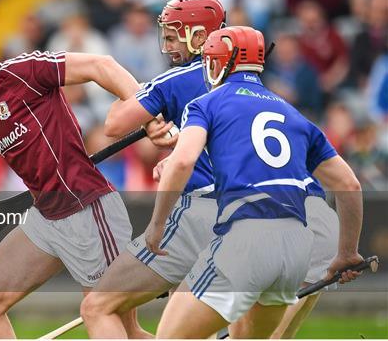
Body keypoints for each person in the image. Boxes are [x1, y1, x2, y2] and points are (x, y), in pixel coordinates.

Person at [0, 27, 150, 338]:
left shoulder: (24, 71)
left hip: (89, 210)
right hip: (46, 218)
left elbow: (101, 65)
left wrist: (146, 110)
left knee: (122, 329)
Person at [147, 26, 364, 338]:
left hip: (246, 237)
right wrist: (347, 252)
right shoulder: (293, 113)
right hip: (295, 247)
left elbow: (182, 161)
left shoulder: (206, 104)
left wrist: (157, 225)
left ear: (216, 63)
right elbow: (349, 184)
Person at [81, 0, 226, 338]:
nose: (167, 45)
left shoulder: (179, 79)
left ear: (201, 37)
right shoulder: (248, 81)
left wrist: (150, 121)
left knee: (96, 306)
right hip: (248, 214)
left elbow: (114, 123)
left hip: (201, 211)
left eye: (174, 36)